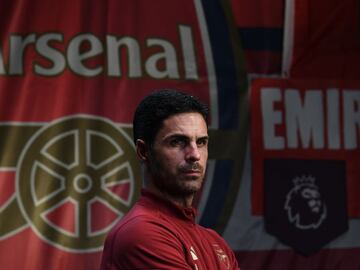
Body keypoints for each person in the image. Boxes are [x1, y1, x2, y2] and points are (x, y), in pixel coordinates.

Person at [100, 89, 240, 270]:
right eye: (177, 142)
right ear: (143, 151)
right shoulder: (140, 233)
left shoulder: (215, 242)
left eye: (201, 142)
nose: (194, 155)